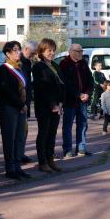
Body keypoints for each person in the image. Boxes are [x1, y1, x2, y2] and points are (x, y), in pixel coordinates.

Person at [0, 41, 31, 180]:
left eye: (19, 49)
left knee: (20, 138)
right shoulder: (3, 69)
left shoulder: (21, 68)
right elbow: (5, 91)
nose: (18, 52)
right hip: (10, 108)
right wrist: (20, 104)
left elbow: (28, 89)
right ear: (7, 54)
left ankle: (17, 166)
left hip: (22, 108)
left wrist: (26, 104)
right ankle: (10, 168)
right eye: (14, 50)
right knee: (10, 139)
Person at [32, 38, 64, 173]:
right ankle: (42, 161)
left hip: (57, 105)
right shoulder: (38, 67)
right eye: (48, 50)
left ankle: (50, 159)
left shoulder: (55, 66)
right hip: (44, 106)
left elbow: (62, 85)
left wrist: (61, 103)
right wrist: (52, 105)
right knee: (43, 134)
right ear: (42, 51)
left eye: (53, 50)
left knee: (52, 134)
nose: (52, 53)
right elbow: (42, 87)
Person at [59, 43, 94, 157]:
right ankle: (67, 149)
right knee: (68, 126)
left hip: (83, 101)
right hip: (70, 101)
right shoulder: (64, 64)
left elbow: (90, 80)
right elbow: (65, 83)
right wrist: (78, 94)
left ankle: (81, 148)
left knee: (83, 125)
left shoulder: (83, 63)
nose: (81, 53)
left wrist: (88, 93)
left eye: (81, 51)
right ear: (71, 51)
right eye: (79, 51)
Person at [19, 40, 37, 164]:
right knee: (19, 130)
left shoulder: (27, 62)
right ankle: (17, 155)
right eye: (32, 53)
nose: (33, 55)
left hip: (25, 102)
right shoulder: (19, 62)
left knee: (24, 130)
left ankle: (20, 153)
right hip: (19, 103)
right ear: (25, 49)